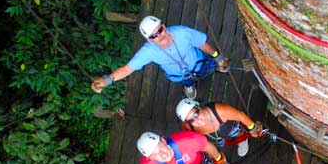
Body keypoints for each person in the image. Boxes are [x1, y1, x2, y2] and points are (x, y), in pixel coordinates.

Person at [91, 15, 230, 98]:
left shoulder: (183, 33)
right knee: (187, 81)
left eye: (160, 30)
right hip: (179, 75)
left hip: (199, 63)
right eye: (153, 35)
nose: (159, 35)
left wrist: (218, 57)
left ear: (164, 26)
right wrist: (107, 80)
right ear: (149, 39)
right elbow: (127, 69)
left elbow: (203, 45)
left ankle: (218, 66)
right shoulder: (148, 51)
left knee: (212, 64)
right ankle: (189, 85)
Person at [175, 98, 264, 157]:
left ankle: (242, 138)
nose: (198, 120)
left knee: (236, 133)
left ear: (198, 107)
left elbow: (241, 116)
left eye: (196, 114)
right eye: (191, 120)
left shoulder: (220, 111)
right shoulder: (188, 126)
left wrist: (252, 128)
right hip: (220, 137)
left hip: (231, 127)